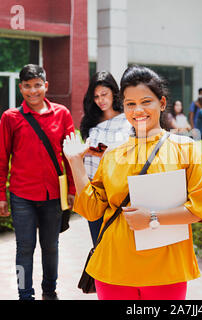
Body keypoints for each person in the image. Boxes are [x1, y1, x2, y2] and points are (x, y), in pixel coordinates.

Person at [63, 65, 202, 300]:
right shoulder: (113, 154)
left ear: (162, 103)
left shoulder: (185, 149)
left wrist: (153, 217)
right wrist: (76, 162)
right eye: (130, 104)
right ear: (123, 107)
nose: (138, 110)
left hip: (166, 268)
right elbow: (92, 210)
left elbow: (201, 208)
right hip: (113, 266)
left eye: (146, 101)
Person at [0, 64, 76, 300]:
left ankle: (50, 291)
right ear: (21, 88)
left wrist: (72, 188)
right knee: (24, 250)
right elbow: (1, 157)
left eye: (37, 85)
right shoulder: (11, 117)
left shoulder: (62, 114)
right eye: (27, 86)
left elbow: (71, 155)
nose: (33, 91)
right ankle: (24, 294)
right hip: (21, 197)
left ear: (46, 86)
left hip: (53, 196)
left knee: (51, 248)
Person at [80, 71, 132, 246]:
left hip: (118, 192)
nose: (100, 100)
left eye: (104, 94)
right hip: (94, 189)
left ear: (114, 93)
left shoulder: (128, 120)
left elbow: (133, 155)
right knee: (98, 244)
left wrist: (106, 154)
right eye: (96, 96)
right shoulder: (90, 121)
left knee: (119, 245)